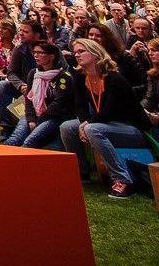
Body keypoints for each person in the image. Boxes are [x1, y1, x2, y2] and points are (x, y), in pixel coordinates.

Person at [59, 38, 148, 199]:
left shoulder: (114, 78)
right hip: (102, 122)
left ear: (95, 54)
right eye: (75, 52)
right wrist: (83, 122)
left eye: (81, 51)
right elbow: (80, 105)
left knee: (92, 129)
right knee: (66, 127)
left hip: (129, 127)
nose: (77, 55)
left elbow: (110, 111)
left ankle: (123, 179)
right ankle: (82, 173)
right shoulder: (80, 76)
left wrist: (86, 124)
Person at [0, 42, 72, 148]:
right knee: (14, 139)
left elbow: (59, 104)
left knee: (29, 142)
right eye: (34, 52)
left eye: (40, 53)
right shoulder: (34, 73)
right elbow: (29, 99)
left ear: (52, 56)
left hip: (54, 118)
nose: (36, 55)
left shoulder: (63, 77)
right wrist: (31, 119)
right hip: (34, 115)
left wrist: (39, 120)